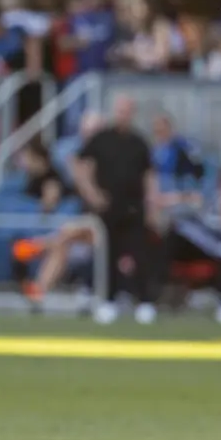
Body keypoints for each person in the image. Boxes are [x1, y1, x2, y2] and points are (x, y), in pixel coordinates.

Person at [72, 95, 159, 324]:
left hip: (134, 208)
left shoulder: (139, 142)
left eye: (127, 110)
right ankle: (107, 300)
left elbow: (149, 176)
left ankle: (145, 302)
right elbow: (82, 167)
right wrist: (93, 194)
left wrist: (152, 205)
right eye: (120, 110)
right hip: (108, 209)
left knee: (140, 255)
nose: (123, 115)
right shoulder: (101, 139)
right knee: (107, 255)